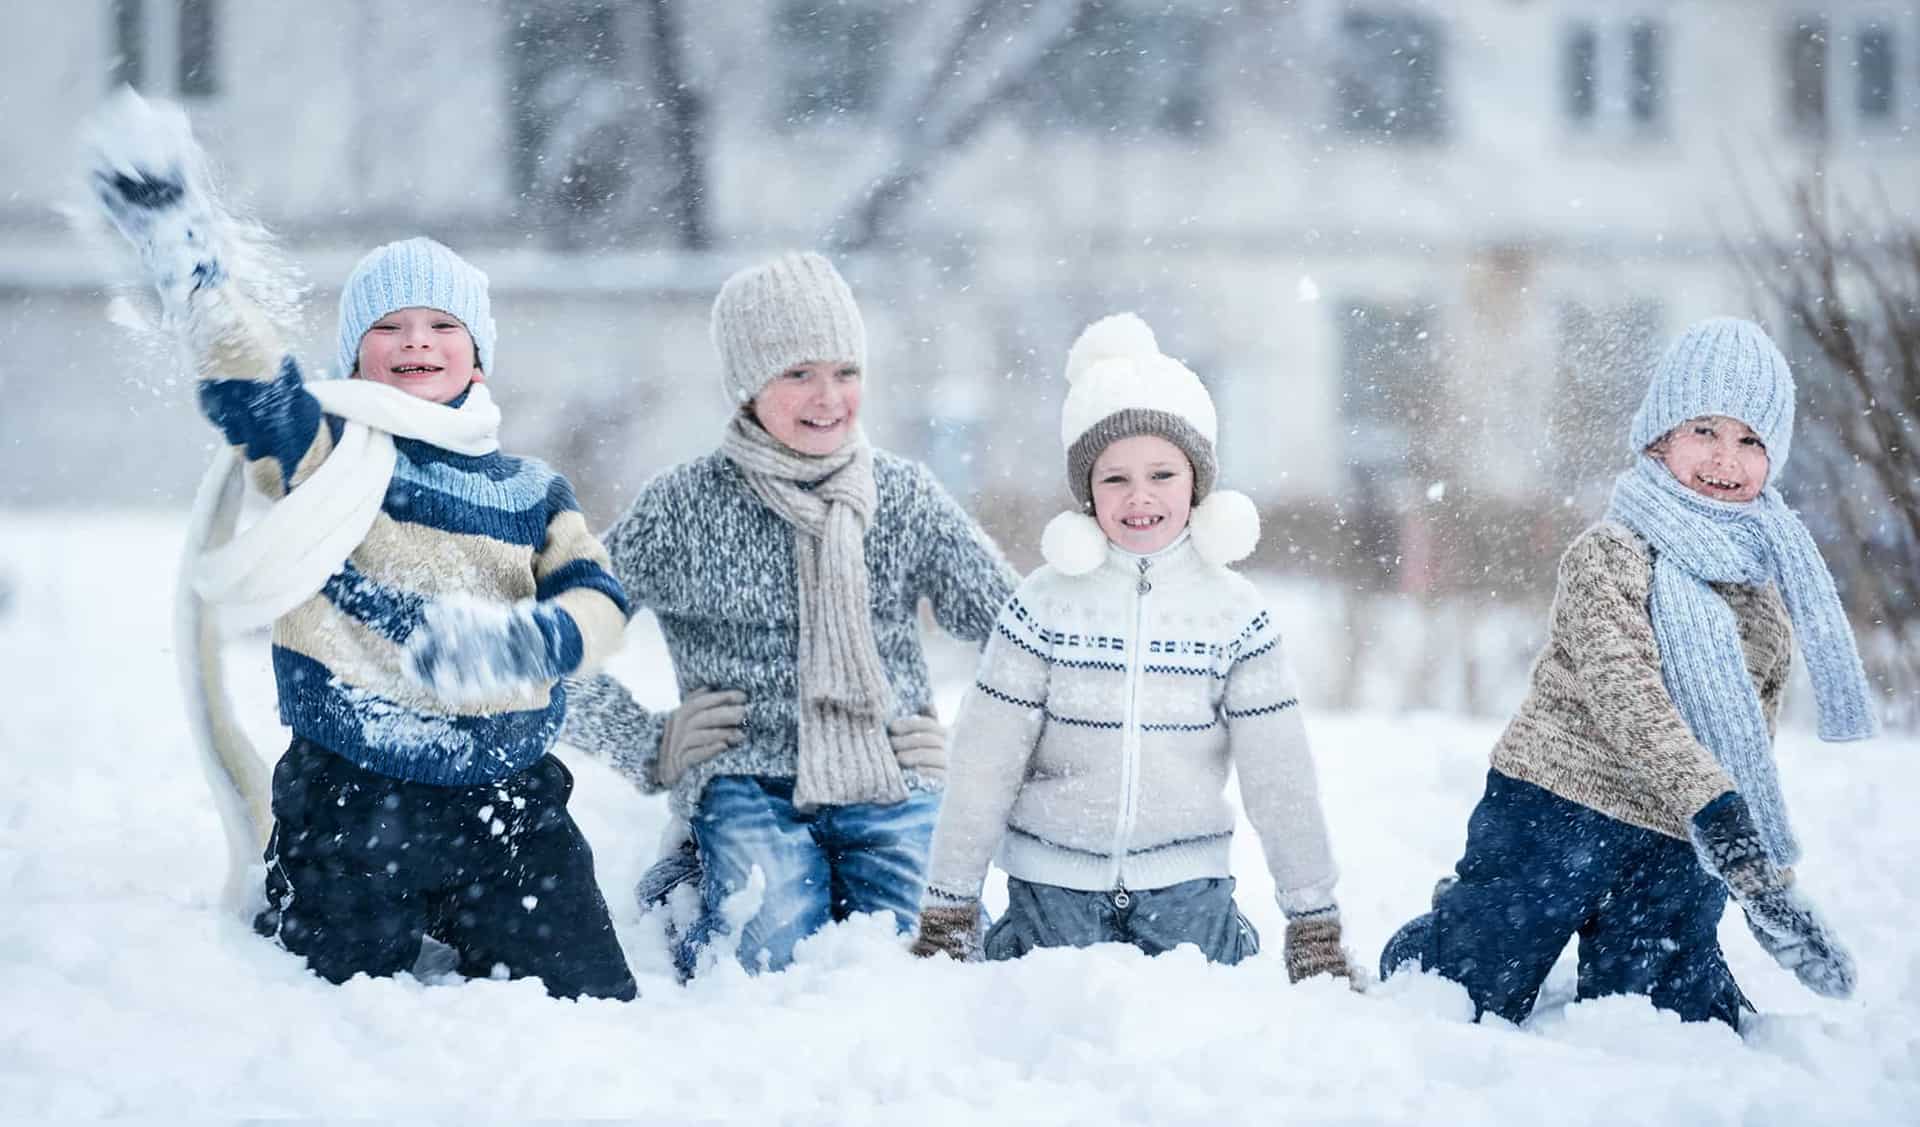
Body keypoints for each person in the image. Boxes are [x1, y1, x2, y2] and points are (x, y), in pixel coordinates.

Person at [87, 92, 636, 1000]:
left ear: (479, 357)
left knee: (589, 996)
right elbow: (258, 388)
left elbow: (601, 601)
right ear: (355, 357)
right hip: (352, 797)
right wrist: (198, 277)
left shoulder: (532, 490)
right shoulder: (330, 455)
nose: (415, 338)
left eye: (441, 325)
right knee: (323, 1000)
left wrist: (530, 643)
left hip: (508, 798)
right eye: (388, 326)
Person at [1379, 317, 1872, 1028]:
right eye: (1705, 429)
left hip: (1677, 837)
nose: (1725, 458)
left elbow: (1747, 754)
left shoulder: (1765, 603)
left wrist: (1764, 879)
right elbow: (1626, 696)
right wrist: (1720, 816)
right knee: (1474, 988)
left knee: (1668, 1019)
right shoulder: (1608, 555)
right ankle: (1447, 937)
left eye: (1751, 439)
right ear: (1658, 436)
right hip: (1556, 809)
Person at [562, 252, 1016, 977]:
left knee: (937, 956)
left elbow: (1026, 637)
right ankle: (687, 882)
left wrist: (967, 745)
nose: (828, 396)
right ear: (746, 386)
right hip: (745, 781)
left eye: (845, 371)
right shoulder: (682, 506)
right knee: (765, 954)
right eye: (797, 372)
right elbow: (550, 644)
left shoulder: (903, 497)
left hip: (890, 774)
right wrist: (648, 742)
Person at [909, 314, 1351, 982]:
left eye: (1163, 474)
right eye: (1114, 478)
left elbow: (1279, 774)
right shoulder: (1043, 604)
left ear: (1198, 481)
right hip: (1052, 888)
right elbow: (983, 761)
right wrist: (949, 905)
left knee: (1197, 1023)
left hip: (1186, 892)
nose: (1139, 496)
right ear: (1086, 490)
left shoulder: (1234, 614)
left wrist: (1313, 919)